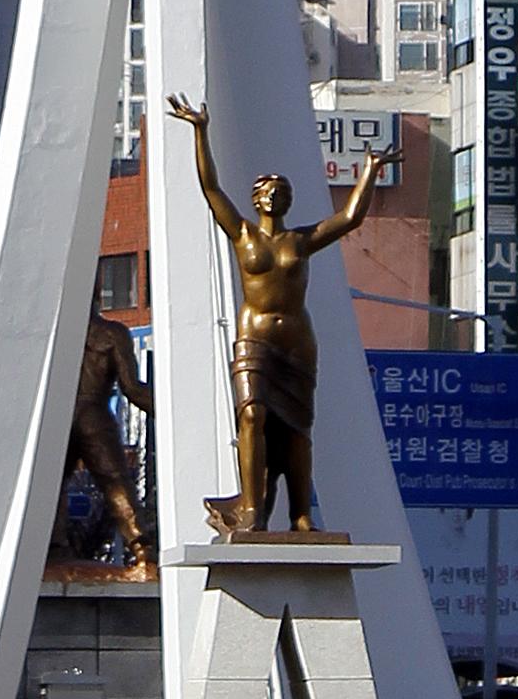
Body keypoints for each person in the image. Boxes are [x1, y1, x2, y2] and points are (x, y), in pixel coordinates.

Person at [167, 94, 392, 534]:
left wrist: (368, 171)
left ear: (288, 201)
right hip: (254, 339)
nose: (273, 197)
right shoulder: (242, 234)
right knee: (252, 414)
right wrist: (200, 131)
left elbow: (349, 218)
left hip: (296, 343)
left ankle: (300, 513)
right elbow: (211, 188)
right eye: (266, 192)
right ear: (255, 200)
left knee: (296, 430)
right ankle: (252, 507)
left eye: (281, 192)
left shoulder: (301, 241)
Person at [51, 295, 154, 575]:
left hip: (55, 417)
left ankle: (53, 549)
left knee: (49, 484)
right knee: (116, 483)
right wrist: (167, 410)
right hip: (95, 415)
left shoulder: (49, 332)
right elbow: (132, 388)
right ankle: (142, 549)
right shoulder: (112, 334)